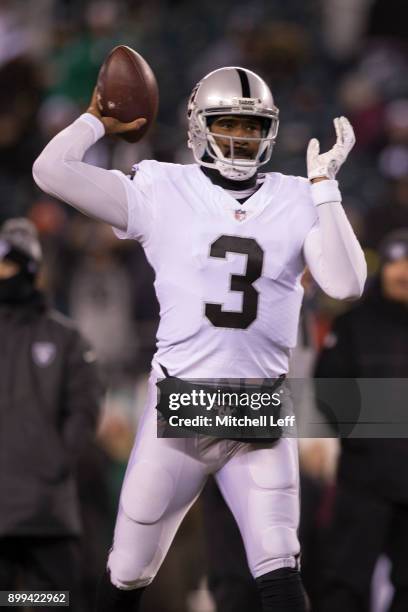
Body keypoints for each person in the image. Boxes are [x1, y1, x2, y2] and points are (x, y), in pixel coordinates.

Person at [32, 66, 367, 612]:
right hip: (182, 407)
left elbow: (347, 284)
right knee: (126, 574)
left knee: (281, 574)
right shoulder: (161, 186)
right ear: (198, 127)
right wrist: (95, 120)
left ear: (271, 132)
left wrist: (326, 189)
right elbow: (49, 171)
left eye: (253, 127)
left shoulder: (297, 194)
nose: (240, 136)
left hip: (258, 409)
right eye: (228, 122)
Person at [0, 218, 103, 611]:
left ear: (28, 266)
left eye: (8, 264)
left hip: (47, 511)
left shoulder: (66, 338)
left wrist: (55, 460)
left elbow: (86, 406)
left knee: (53, 602)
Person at [315, 229, 408, 612]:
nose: (404, 271)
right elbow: (328, 393)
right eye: (397, 262)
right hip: (364, 482)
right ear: (382, 268)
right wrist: (368, 440)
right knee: (343, 585)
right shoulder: (353, 324)